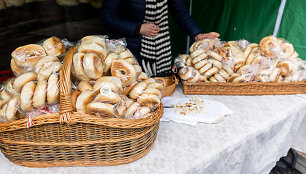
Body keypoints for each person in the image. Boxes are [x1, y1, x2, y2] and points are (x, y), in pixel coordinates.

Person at [101, 0, 219, 77]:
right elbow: (107, 17)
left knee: (158, 89)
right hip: (128, 48)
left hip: (161, 50)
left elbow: (180, 14)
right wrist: (137, 28)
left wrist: (197, 34)